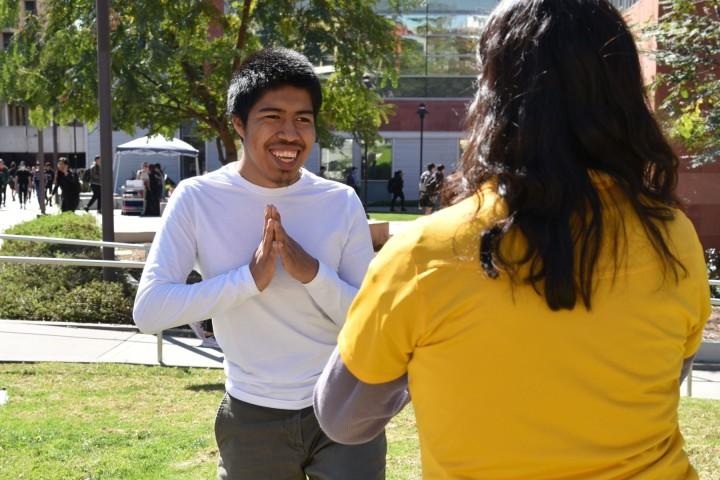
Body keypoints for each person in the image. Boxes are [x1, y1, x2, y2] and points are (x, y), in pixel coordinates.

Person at [314, 0, 711, 478]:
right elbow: (671, 373)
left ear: (492, 96)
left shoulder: (423, 254)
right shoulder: (672, 233)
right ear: (624, 95)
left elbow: (343, 419)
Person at [133, 47, 382, 479]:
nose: (290, 133)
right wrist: (248, 279)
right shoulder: (196, 199)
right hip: (252, 415)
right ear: (238, 124)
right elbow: (150, 310)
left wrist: (312, 274)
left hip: (344, 406)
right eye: (272, 117)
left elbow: (369, 318)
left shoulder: (340, 201)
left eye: (303, 119)